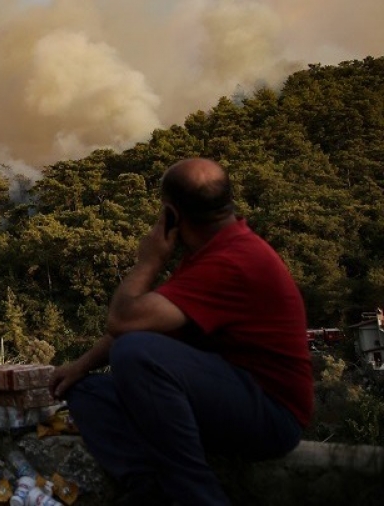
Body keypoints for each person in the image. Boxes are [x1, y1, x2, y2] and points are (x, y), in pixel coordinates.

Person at [50, 158, 313, 505]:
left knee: (135, 353)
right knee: (88, 393)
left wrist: (148, 262)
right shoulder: (212, 251)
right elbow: (145, 323)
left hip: (271, 413)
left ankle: (198, 497)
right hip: (228, 397)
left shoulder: (232, 260)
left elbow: (124, 321)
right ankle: (150, 488)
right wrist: (79, 366)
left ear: (171, 215)